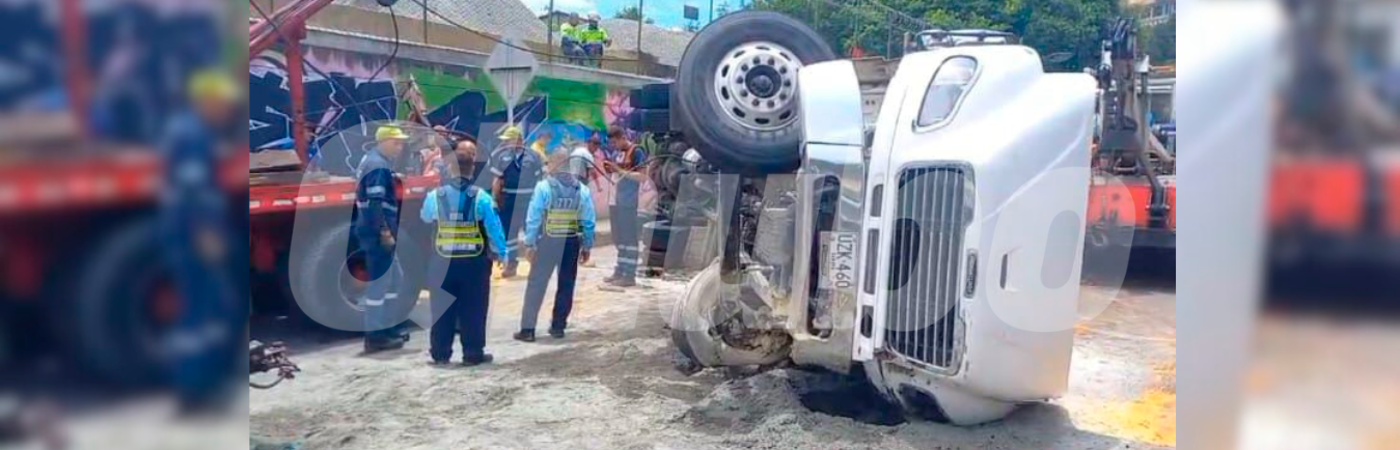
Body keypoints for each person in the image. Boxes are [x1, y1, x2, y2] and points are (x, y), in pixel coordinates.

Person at [160, 69, 244, 413]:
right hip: (193, 236)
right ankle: (195, 389)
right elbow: (192, 191)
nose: (226, 110)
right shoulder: (192, 134)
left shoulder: (190, 130)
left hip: (186, 233)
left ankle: (201, 383)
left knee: (207, 312)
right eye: (222, 103)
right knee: (200, 314)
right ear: (206, 100)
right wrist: (205, 234)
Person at [420, 148, 510, 367]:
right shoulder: (482, 198)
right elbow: (494, 228)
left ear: (450, 169)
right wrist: (502, 253)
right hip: (474, 263)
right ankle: (472, 353)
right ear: (472, 170)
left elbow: (426, 217)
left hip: (442, 262)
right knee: (474, 308)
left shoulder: (435, 196)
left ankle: (440, 354)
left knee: (442, 308)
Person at [514, 151, 596, 342]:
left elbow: (534, 218)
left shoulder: (543, 187)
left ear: (554, 164)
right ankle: (558, 327)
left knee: (536, 284)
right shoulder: (581, 189)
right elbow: (588, 221)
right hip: (570, 242)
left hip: (547, 242)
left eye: (548, 163)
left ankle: (528, 330)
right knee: (566, 284)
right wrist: (587, 246)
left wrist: (530, 244)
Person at [355, 124, 411, 352]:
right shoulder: (377, 165)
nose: (400, 147)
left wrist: (393, 177)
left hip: (376, 230)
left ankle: (388, 327)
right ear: (384, 141)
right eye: (396, 143)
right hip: (378, 233)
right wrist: (384, 231)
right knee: (379, 285)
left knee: (394, 280)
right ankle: (375, 336)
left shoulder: (375, 162)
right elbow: (375, 203)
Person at [490, 125, 545, 278]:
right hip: (509, 199)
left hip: (529, 199)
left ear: (518, 140)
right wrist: (494, 199)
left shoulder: (533, 156)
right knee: (509, 233)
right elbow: (497, 179)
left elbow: (540, 180)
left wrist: (541, 201)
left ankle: (536, 264)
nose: (506, 143)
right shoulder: (502, 157)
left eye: (508, 140)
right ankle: (511, 264)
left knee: (533, 231)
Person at [603, 126, 646, 287]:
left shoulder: (637, 152)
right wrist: (610, 170)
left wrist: (619, 170)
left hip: (629, 202)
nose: (614, 146)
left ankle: (629, 275)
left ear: (622, 137)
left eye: (615, 142)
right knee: (619, 238)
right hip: (615, 200)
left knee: (629, 238)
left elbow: (642, 176)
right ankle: (620, 270)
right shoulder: (616, 154)